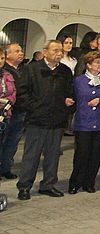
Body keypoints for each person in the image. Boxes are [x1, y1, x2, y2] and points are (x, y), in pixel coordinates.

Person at [15, 40, 75, 200]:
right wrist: (35, 107)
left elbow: (71, 91)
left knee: (53, 155)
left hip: (57, 120)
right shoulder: (32, 69)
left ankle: (48, 184)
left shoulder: (65, 71)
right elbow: (22, 93)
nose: (59, 53)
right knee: (31, 156)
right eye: (55, 50)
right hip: (37, 120)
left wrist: (68, 102)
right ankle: (24, 186)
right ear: (45, 51)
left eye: (61, 51)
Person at [69, 51, 100, 193]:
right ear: (88, 65)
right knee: (82, 154)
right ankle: (75, 182)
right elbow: (74, 98)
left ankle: (89, 182)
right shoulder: (79, 81)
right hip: (84, 123)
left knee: (96, 154)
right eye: (96, 63)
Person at [0, 43, 25, 180]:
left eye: (21, 51)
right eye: (17, 51)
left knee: (12, 142)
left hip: (16, 111)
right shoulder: (6, 72)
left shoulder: (20, 71)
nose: (21, 53)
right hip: (2, 113)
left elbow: (13, 92)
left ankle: (6, 167)